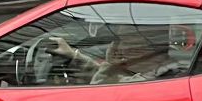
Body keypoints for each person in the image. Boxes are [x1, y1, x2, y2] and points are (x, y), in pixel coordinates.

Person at [47, 30, 182, 85]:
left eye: (125, 40)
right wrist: (73, 56)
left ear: (147, 46)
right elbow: (114, 77)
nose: (116, 46)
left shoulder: (150, 83)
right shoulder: (156, 71)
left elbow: (100, 86)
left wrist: (111, 63)